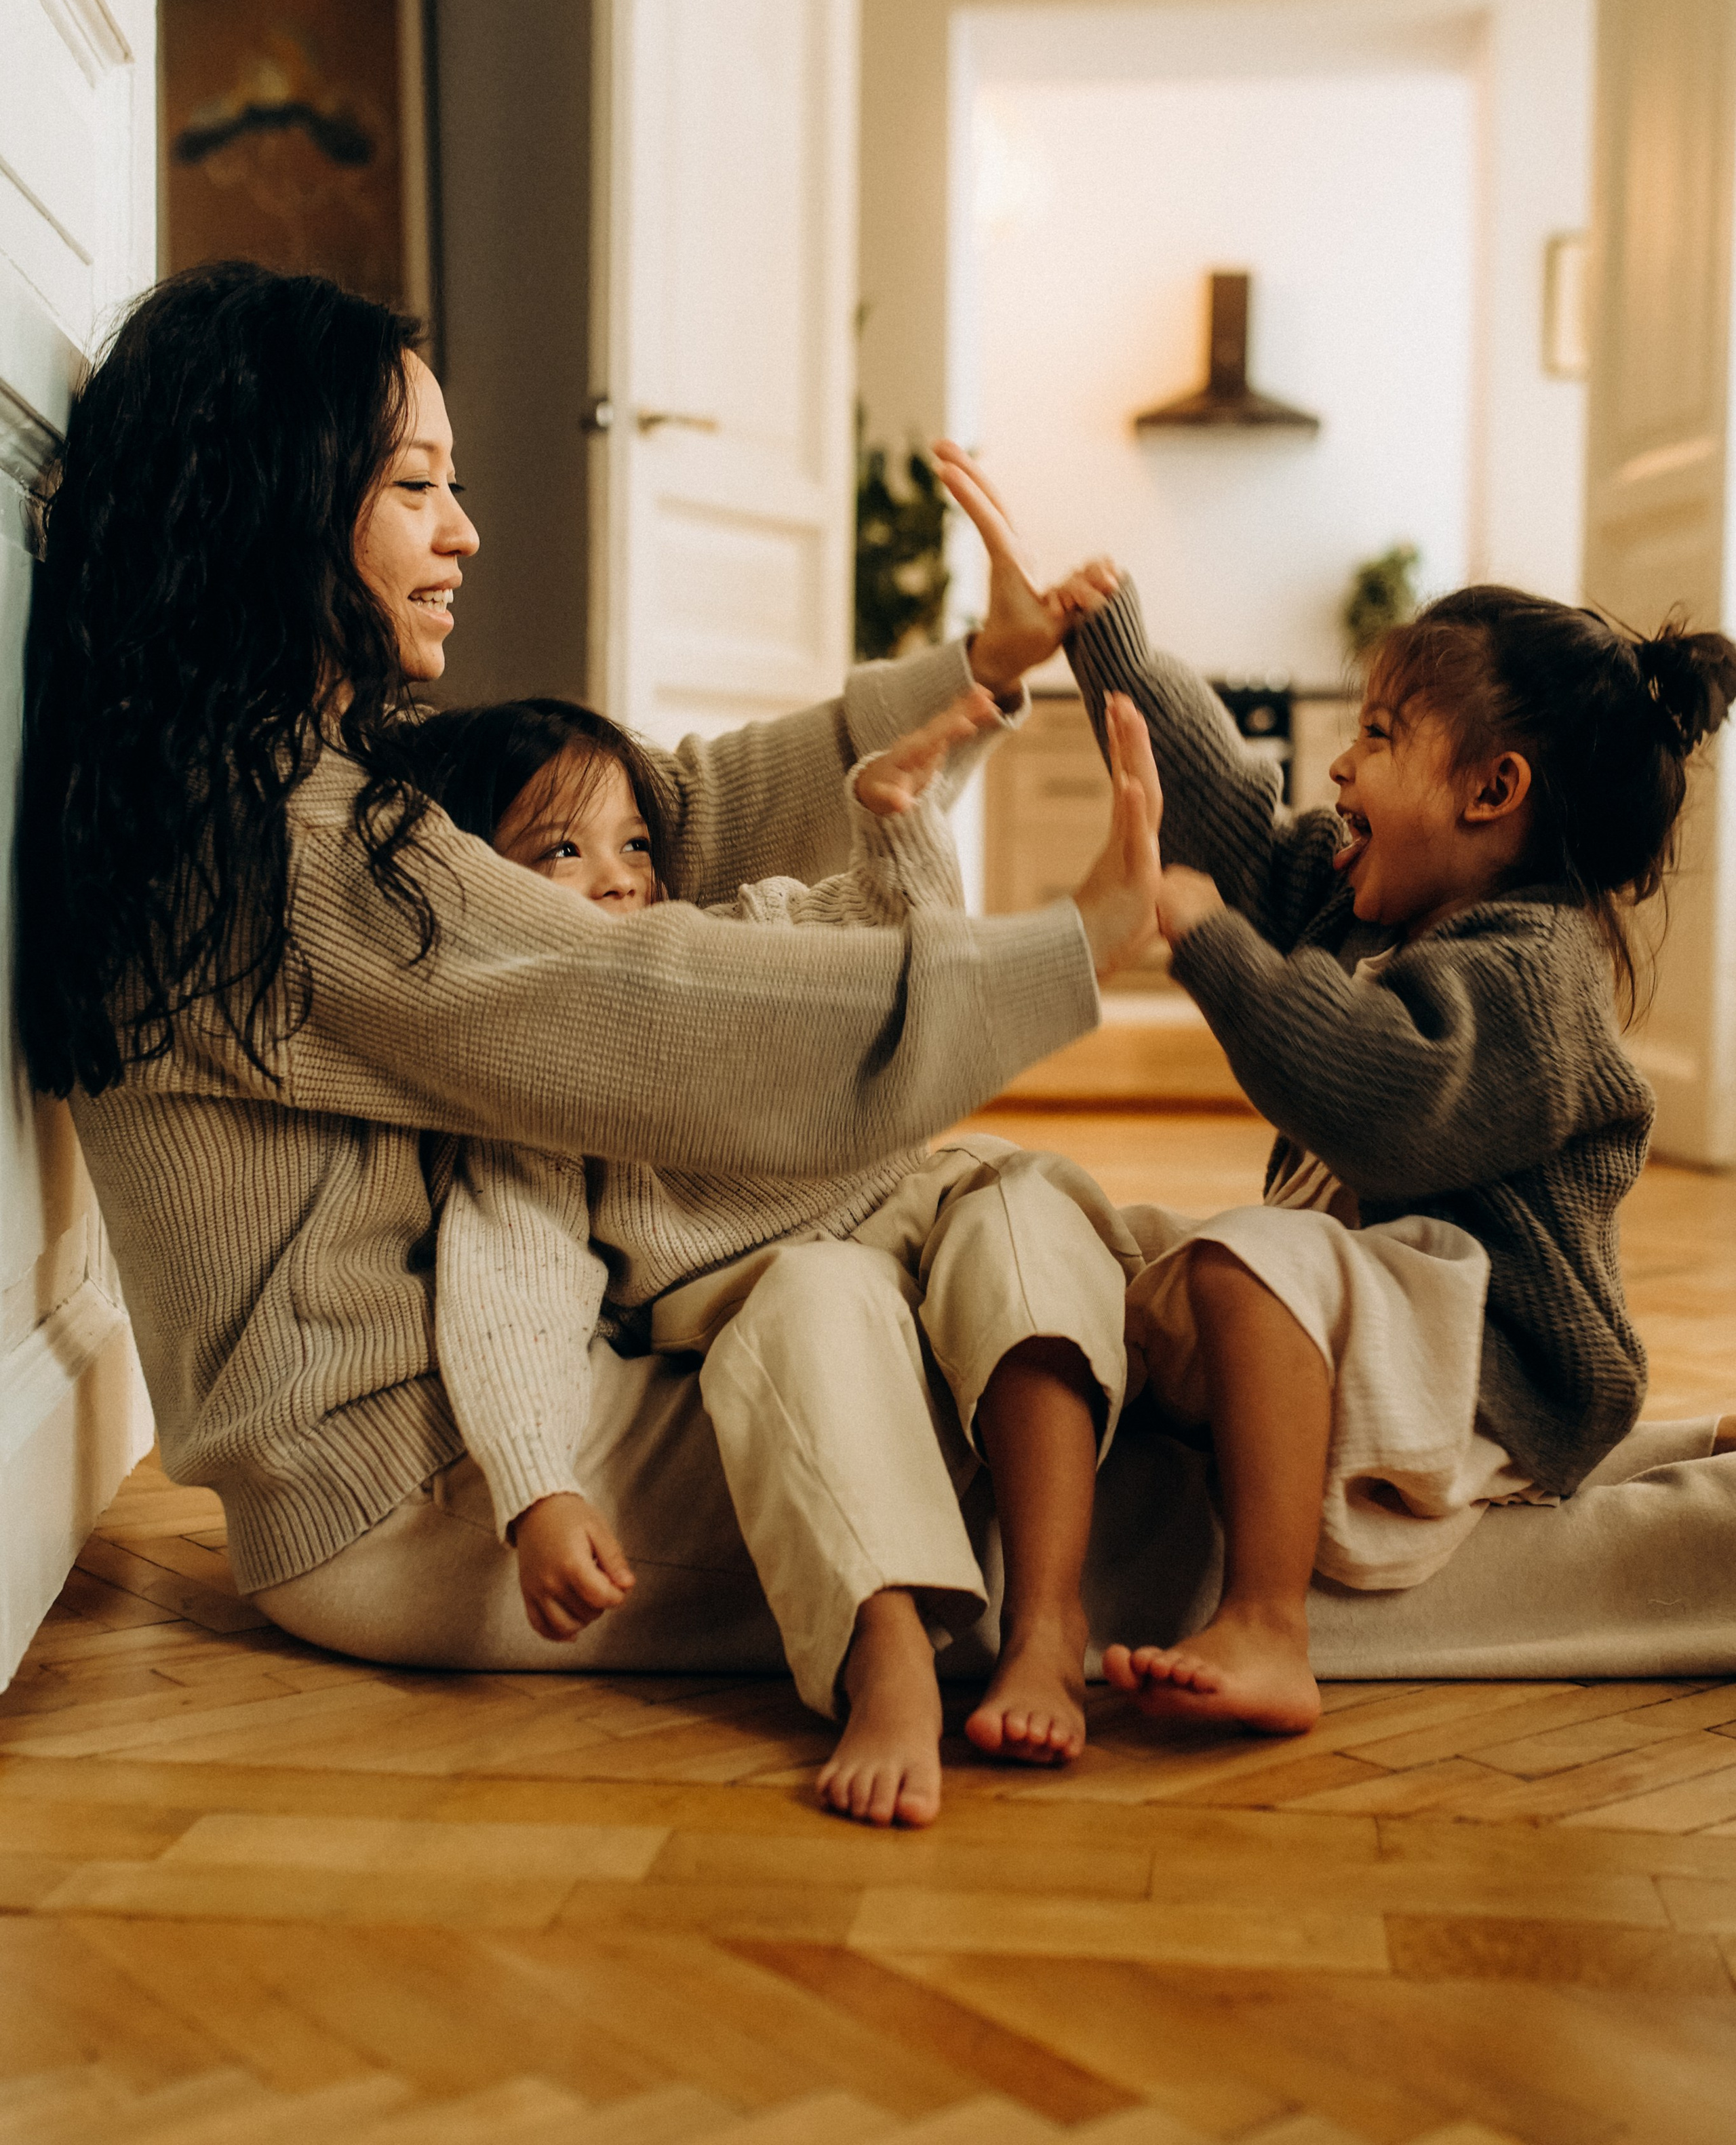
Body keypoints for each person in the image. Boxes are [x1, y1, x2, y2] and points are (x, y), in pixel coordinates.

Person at [18, 264, 1162, 1725]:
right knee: (1117, 1453)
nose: (463, 531)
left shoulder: (258, 778)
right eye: (414, 486)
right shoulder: (287, 856)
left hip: (452, 1430)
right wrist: (1069, 947)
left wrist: (975, 672)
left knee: (1076, 1305)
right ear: (273, 509)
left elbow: (668, 816)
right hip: (427, 1485)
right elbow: (649, 1012)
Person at [401, 682, 1156, 1826]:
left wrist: (897, 821)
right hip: (775, 1284)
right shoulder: (535, 1088)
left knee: (1023, 1205)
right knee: (813, 1296)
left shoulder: (738, 933)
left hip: (911, 1201)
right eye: (561, 851)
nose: (617, 877)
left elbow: (894, 946)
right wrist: (538, 1489)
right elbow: (510, 1279)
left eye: (634, 844)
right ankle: (886, 1656)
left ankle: (1048, 1621)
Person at [1031, 540, 1736, 1738]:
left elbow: (1379, 1098)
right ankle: (1700, 1441)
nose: (1339, 764)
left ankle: (1267, 1622)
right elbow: (1239, 831)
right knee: (1112, 1239)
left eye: (1379, 735)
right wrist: (1114, 650)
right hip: (1390, 1329)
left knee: (1251, 1262)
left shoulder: (1533, 976)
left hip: (1497, 1371)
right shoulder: (1374, 899)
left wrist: (1208, 942)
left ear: (1490, 791)